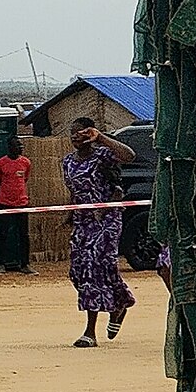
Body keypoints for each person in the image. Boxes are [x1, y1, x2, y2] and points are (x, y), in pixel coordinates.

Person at [61, 116, 135, 346]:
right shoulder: (67, 162)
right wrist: (69, 215)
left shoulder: (102, 155)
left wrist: (101, 137)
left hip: (106, 220)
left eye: (82, 132)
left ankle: (89, 333)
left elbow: (129, 156)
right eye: (73, 132)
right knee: (78, 271)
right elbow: (75, 191)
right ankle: (120, 303)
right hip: (82, 221)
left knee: (94, 268)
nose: (76, 136)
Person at [0, 144, 33, 272]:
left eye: (21, 146)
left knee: (24, 235)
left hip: (22, 203)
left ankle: (25, 264)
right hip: (5, 203)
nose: (21, 148)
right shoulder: (0, 163)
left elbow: (25, 179)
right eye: (18, 145)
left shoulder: (26, 162)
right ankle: (1, 264)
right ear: (10, 147)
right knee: (3, 234)